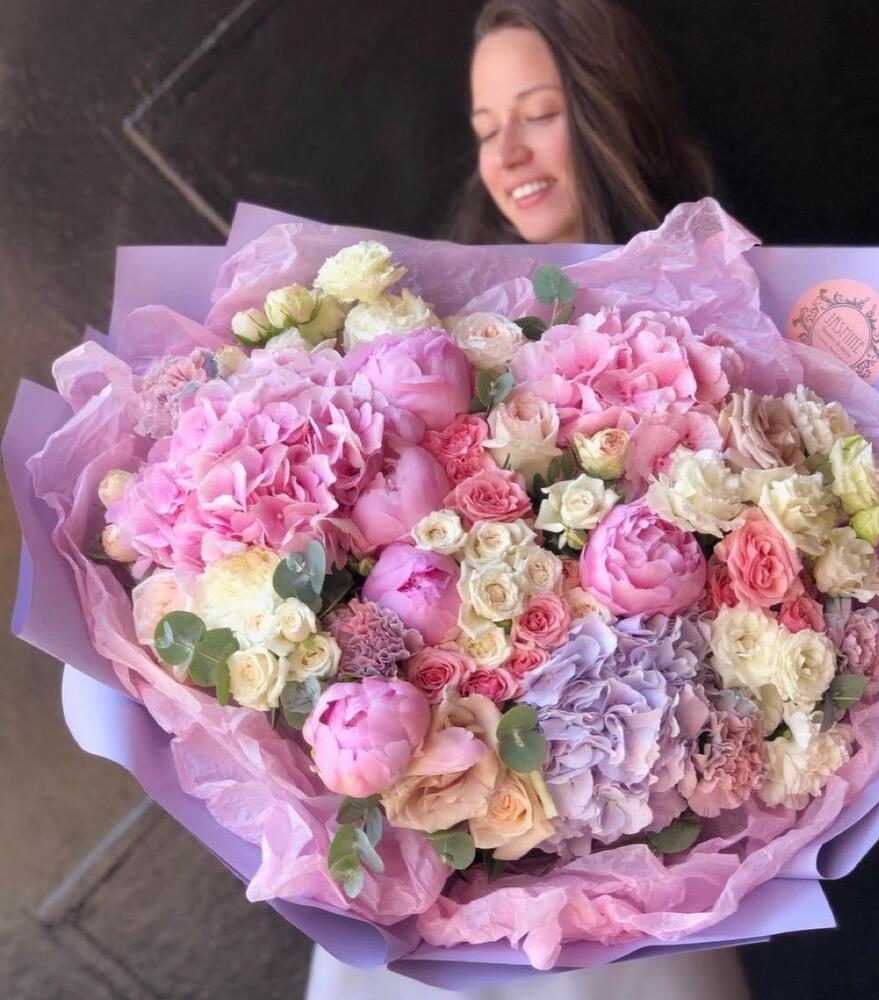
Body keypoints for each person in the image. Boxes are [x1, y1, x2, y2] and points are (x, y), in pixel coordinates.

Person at [307, 4, 748, 997]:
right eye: (484, 128)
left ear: (605, 110)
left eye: (538, 114)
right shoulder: (434, 336)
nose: (507, 154)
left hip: (636, 874)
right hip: (437, 876)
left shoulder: (723, 329)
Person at [445, 0, 715, 246]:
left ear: (613, 115)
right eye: (488, 132)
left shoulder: (715, 274)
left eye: (539, 114)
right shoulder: (462, 283)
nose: (506, 156)